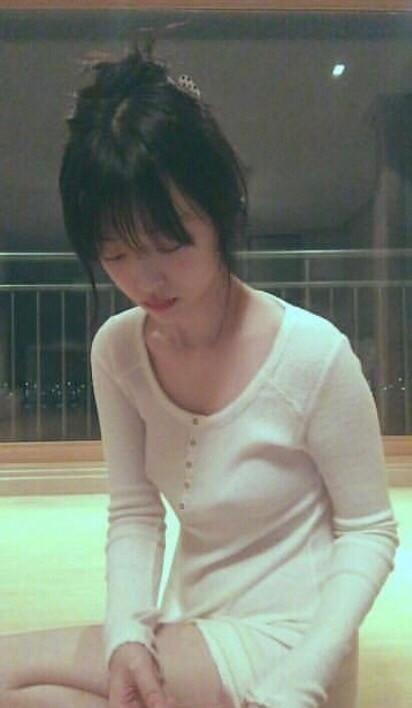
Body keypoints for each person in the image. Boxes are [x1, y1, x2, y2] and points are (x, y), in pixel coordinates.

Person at [0, 41, 399, 708]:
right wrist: (127, 636)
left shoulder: (311, 354)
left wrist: (302, 679)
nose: (146, 279)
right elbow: (135, 512)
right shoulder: (118, 352)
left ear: (222, 214)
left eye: (169, 245)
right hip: (185, 635)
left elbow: (369, 532)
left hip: (293, 648)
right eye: (117, 254)